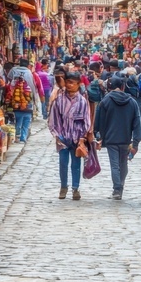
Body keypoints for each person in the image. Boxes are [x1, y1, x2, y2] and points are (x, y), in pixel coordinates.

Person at [94, 76, 141, 200]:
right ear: (123, 87)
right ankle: (120, 185)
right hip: (126, 138)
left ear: (110, 87)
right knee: (123, 164)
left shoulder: (105, 101)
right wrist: (135, 143)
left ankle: (117, 189)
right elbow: (137, 123)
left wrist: (98, 135)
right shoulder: (132, 102)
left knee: (114, 165)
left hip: (110, 138)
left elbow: (98, 120)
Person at [49, 72, 92, 201]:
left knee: (76, 164)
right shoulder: (59, 101)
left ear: (78, 84)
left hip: (77, 138)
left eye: (72, 82)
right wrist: (57, 135)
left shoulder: (83, 101)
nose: (69, 85)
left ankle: (75, 188)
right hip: (62, 138)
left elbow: (86, 120)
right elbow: (53, 119)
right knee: (63, 163)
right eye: (67, 82)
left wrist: (83, 137)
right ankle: (63, 187)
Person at [6, 58, 42, 143]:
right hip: (27, 99)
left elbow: (8, 79)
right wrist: (35, 100)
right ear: (28, 65)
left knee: (17, 118)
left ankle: (17, 135)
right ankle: (23, 137)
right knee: (26, 119)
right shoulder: (29, 72)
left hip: (15, 98)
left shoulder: (14, 69)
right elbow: (33, 86)